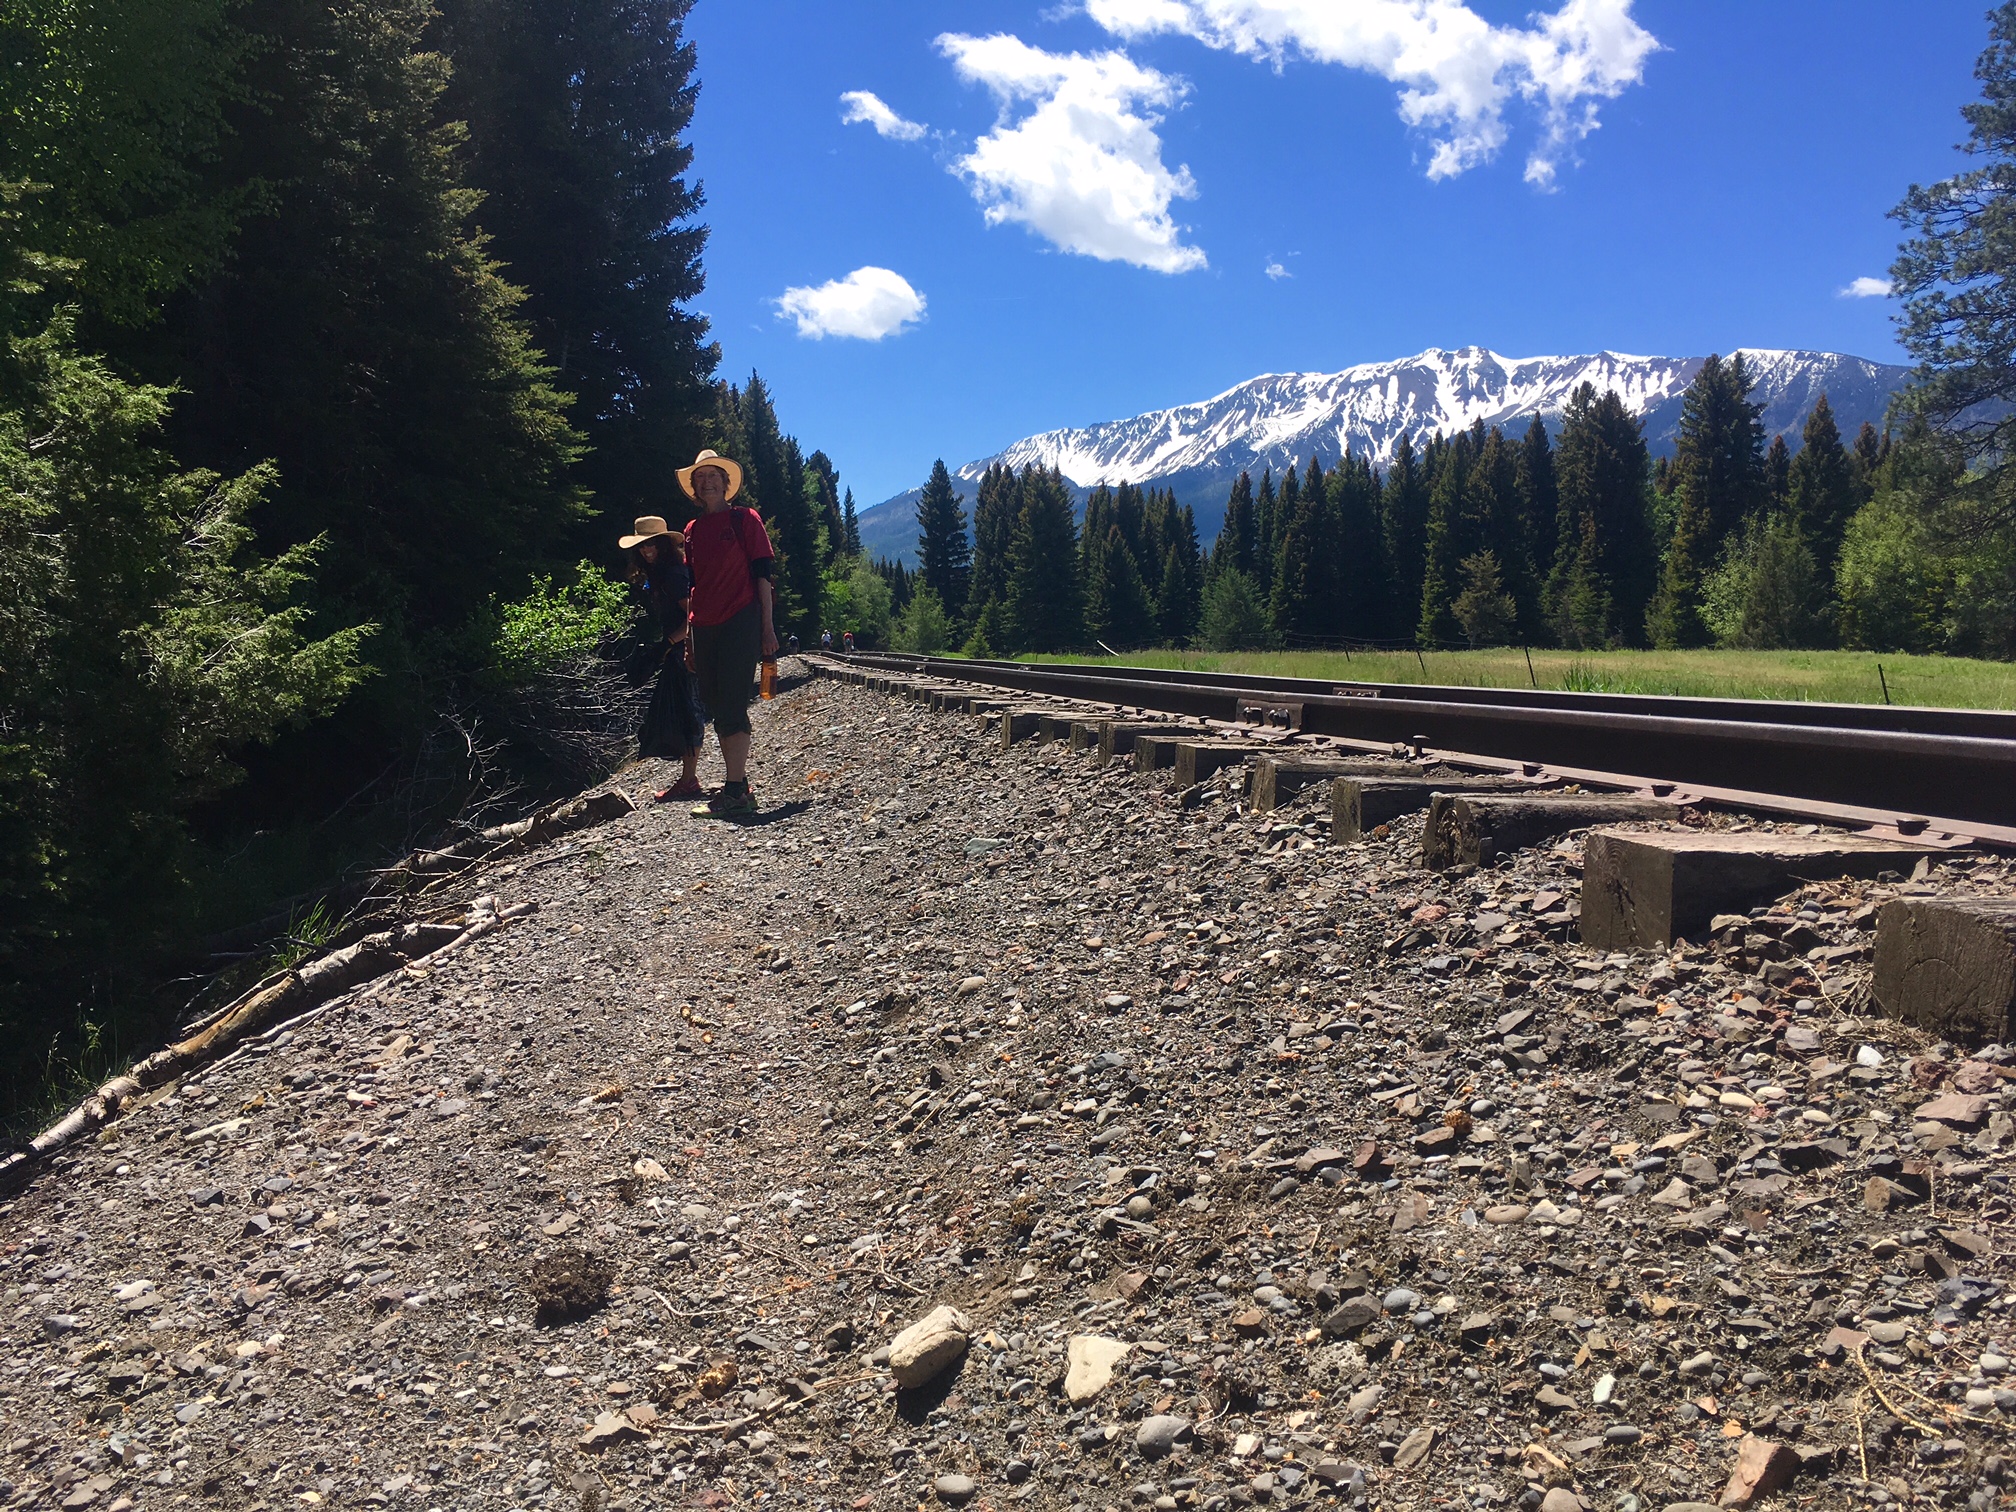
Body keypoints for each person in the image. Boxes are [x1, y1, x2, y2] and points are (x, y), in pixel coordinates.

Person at [677, 448, 779, 818]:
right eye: (700, 478)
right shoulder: (690, 531)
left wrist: (767, 629)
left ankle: (736, 791)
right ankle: (736, 784)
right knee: (717, 703)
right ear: (694, 486)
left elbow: (763, 576)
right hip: (704, 626)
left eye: (713, 477)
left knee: (733, 703)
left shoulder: (745, 520)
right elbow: (694, 587)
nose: (707, 483)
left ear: (726, 483)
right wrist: (689, 637)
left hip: (740, 619)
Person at [619, 515, 705, 803]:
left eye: (653, 544)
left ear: (664, 544)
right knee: (683, 709)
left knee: (688, 710)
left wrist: (668, 644)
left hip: (686, 648)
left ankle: (689, 779)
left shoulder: (672, 574)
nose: (647, 550)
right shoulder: (661, 573)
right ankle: (690, 777)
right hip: (678, 648)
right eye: (643, 546)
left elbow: (693, 615)